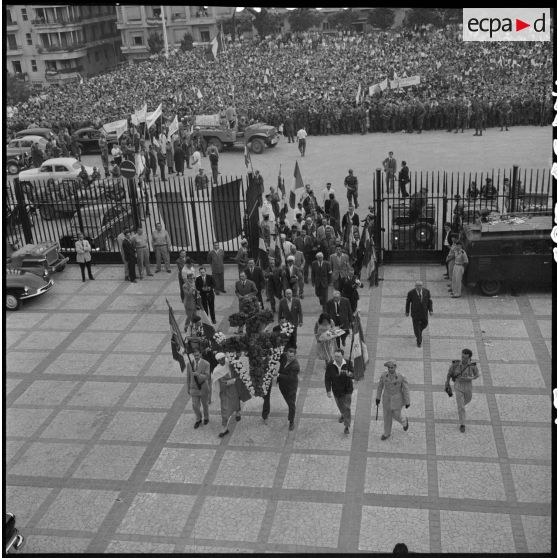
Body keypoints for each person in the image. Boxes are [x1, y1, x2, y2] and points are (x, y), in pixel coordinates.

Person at [444, 348, 480, 433]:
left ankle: (460, 408)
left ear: (469, 358)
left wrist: (470, 378)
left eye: (465, 358)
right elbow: (449, 374)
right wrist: (447, 383)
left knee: (468, 400)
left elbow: (477, 375)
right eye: (462, 357)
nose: (463, 359)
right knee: (461, 406)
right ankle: (462, 424)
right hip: (458, 386)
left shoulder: (472, 366)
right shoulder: (455, 364)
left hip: (468, 386)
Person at [375, 360, 410, 440]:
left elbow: (406, 389)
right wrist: (378, 397)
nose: (390, 369)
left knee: (396, 415)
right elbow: (380, 387)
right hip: (386, 399)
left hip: (397, 399)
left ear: (395, 367)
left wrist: (407, 401)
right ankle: (386, 433)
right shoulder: (384, 376)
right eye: (389, 368)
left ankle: (404, 421)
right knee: (387, 416)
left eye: (392, 367)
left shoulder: (401, 377)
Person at [325, 349, 354, 435]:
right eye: (335, 356)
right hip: (336, 390)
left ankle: (347, 426)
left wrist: (350, 374)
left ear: (342, 356)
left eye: (338, 356)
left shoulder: (349, 363)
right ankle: (343, 414)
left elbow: (354, 374)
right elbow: (327, 378)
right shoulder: (330, 365)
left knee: (347, 407)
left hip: (347, 389)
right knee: (340, 406)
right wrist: (328, 390)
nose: (336, 358)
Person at [212, 353, 241, 438]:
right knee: (225, 410)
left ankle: (238, 412)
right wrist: (230, 381)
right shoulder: (216, 371)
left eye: (222, 359)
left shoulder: (229, 363)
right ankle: (224, 428)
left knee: (236, 401)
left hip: (233, 390)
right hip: (225, 393)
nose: (221, 361)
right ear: (217, 361)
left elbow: (237, 369)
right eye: (219, 360)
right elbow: (218, 384)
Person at [276, 347, 300, 431]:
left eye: (292, 356)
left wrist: (278, 375)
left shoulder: (295, 366)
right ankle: (290, 408)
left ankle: (291, 422)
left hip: (291, 387)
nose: (290, 358)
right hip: (282, 386)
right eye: (289, 356)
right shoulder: (284, 358)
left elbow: (290, 378)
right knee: (288, 401)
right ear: (286, 355)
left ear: (295, 356)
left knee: (291, 404)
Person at [186, 348, 210, 429]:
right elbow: (188, 377)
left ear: (201, 354)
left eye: (198, 355)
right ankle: (198, 419)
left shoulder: (206, 364)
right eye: (195, 355)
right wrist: (188, 387)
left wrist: (198, 375)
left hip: (203, 387)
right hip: (193, 389)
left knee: (205, 405)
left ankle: (206, 417)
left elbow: (207, 376)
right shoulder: (189, 364)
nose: (196, 357)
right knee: (195, 405)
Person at [405, 280, 433, 348]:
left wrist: (430, 310)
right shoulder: (411, 293)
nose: (419, 287)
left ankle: (418, 332)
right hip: (415, 313)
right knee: (416, 328)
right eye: (417, 285)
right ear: (415, 286)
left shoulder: (427, 291)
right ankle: (419, 341)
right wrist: (407, 311)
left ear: (422, 286)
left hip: (424, 313)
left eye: (420, 285)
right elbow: (408, 302)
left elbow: (429, 301)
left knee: (425, 324)